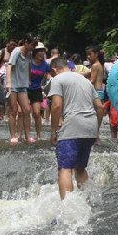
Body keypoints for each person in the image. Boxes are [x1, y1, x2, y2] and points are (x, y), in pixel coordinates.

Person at [48, 56, 104, 199]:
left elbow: (56, 106)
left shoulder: (57, 79)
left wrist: (53, 131)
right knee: (80, 168)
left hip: (72, 127)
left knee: (65, 169)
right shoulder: (85, 81)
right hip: (90, 128)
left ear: (54, 69)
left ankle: (69, 211)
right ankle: (87, 202)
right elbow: (99, 106)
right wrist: (96, 131)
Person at [6, 33, 37, 144]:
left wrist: (28, 79)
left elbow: (28, 65)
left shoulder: (29, 53)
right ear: (26, 43)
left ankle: (27, 136)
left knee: (26, 110)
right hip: (14, 84)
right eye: (32, 45)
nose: (33, 48)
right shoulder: (17, 52)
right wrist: (8, 82)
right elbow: (9, 66)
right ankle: (13, 136)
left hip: (23, 84)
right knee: (13, 110)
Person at [28, 42, 51, 141]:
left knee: (37, 113)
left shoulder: (45, 65)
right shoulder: (29, 62)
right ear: (35, 53)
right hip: (25, 88)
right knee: (23, 112)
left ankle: (38, 136)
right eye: (40, 51)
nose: (42, 53)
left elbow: (49, 75)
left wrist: (50, 82)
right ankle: (27, 135)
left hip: (36, 89)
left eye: (43, 51)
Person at [0, 39, 17, 119]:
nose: (12, 47)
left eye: (14, 45)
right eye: (11, 45)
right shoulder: (1, 52)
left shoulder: (15, 53)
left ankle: (9, 116)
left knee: (11, 98)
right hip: (1, 77)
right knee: (2, 98)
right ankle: (1, 117)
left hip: (12, 78)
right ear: (7, 44)